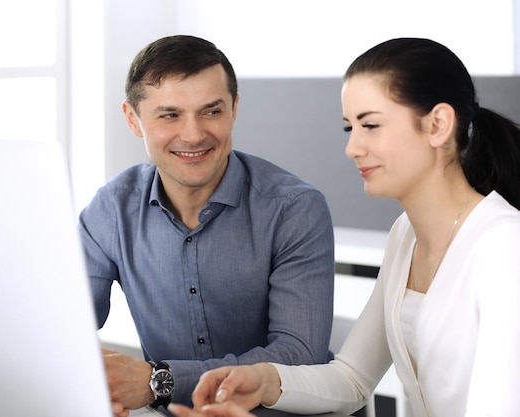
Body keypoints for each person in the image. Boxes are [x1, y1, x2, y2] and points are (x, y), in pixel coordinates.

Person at [168, 38, 520, 417]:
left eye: (370, 125)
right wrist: (264, 380)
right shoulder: (406, 235)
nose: (353, 147)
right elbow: (352, 379)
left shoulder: (503, 246)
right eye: (349, 127)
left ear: (437, 125)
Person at [78, 34, 335, 416]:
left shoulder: (294, 209)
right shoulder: (112, 208)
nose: (194, 134)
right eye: (170, 115)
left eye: (211, 111)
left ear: (234, 108)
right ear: (133, 119)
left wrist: (156, 382)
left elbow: (298, 355)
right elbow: (66, 326)